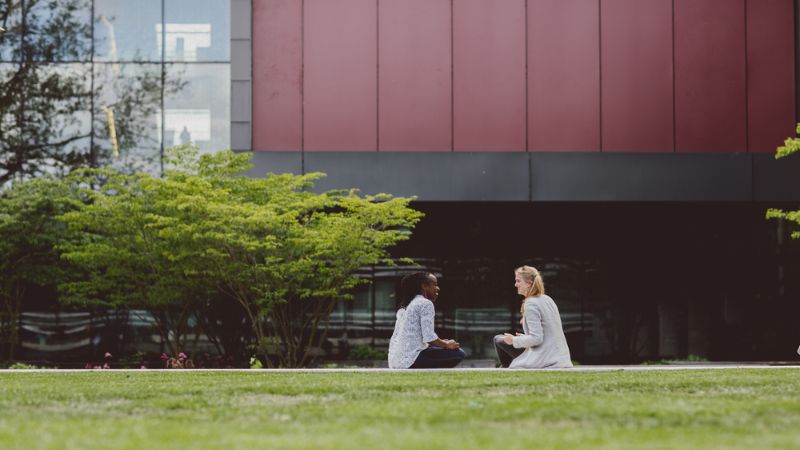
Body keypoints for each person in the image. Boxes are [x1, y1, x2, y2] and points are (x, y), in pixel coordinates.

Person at [494, 265, 573, 369]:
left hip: (545, 357)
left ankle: (506, 369)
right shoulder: (547, 299)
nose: (515, 284)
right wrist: (523, 337)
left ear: (529, 284)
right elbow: (546, 334)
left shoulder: (531, 303)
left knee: (498, 340)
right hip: (560, 357)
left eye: (518, 281)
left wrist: (513, 340)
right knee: (501, 339)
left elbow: (537, 339)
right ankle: (505, 368)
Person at [388, 272, 465, 369]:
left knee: (438, 349)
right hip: (410, 361)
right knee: (458, 354)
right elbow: (429, 338)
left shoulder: (407, 305)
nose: (438, 288)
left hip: (395, 362)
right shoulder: (425, 303)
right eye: (435, 284)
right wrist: (446, 344)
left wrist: (441, 343)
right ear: (424, 286)